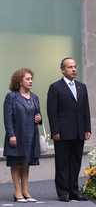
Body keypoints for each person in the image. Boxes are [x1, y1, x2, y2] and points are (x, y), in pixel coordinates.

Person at [47, 57, 91, 202]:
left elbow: (86, 110)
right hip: (63, 133)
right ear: (63, 69)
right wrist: (55, 131)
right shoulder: (55, 87)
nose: (73, 69)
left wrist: (87, 128)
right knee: (62, 163)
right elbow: (52, 112)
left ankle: (74, 190)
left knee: (76, 162)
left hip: (79, 132)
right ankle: (63, 192)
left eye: (75, 67)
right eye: (70, 67)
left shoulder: (81, 86)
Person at [3, 68, 42, 203]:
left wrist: (39, 118)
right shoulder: (11, 97)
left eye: (31, 79)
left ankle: (26, 191)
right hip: (17, 135)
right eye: (27, 79)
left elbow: (38, 115)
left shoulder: (35, 97)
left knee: (26, 164)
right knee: (16, 163)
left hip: (31, 135)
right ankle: (17, 192)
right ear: (20, 81)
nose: (31, 81)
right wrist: (11, 135)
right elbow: (7, 118)